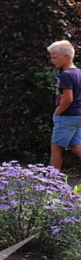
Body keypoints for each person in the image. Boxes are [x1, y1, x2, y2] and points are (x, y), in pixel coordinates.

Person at [48, 40, 81, 169]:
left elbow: (68, 99)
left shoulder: (65, 75)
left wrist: (57, 113)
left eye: (55, 57)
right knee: (76, 145)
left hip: (67, 116)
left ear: (67, 57)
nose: (52, 60)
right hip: (78, 115)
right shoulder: (79, 72)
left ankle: (52, 181)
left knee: (56, 147)